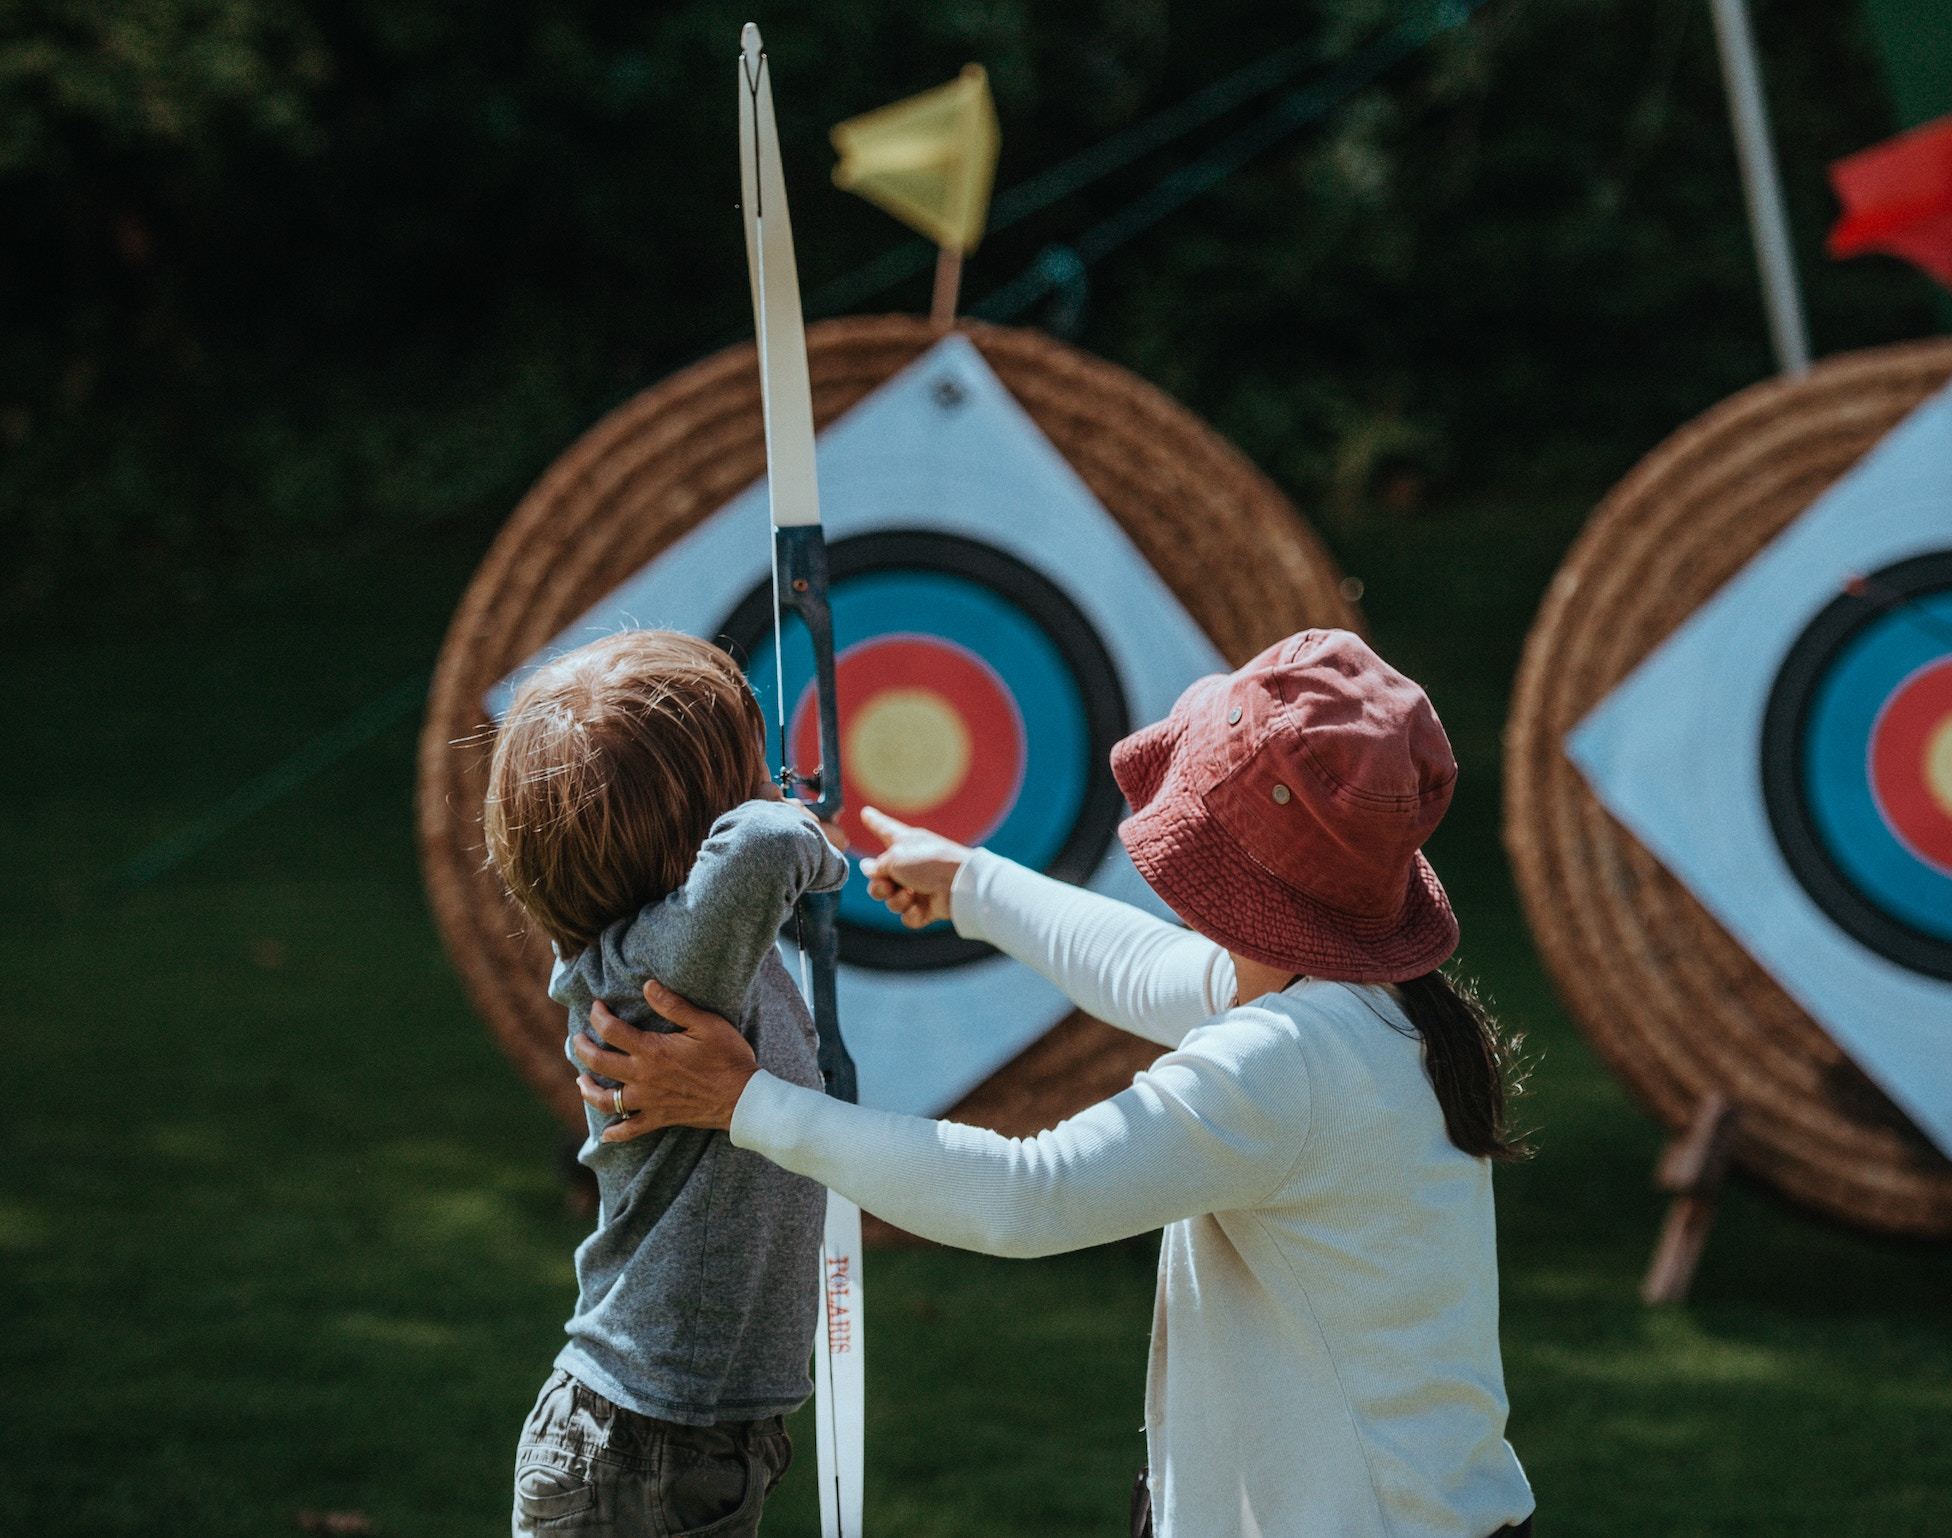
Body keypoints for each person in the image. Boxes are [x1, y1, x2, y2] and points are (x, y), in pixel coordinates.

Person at [574, 629, 1538, 1538]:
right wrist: (974, 886)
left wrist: (748, 1104)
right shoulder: (1371, 1005)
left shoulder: (1286, 1063)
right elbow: (1151, 967)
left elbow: (1028, 1195)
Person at [483, 628, 847, 1538]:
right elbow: (766, 845)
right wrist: (810, 832)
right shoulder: (663, 973)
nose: (774, 785)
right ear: (699, 831)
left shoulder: (676, 950)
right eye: (754, 768)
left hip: (673, 1434)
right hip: (649, 1445)